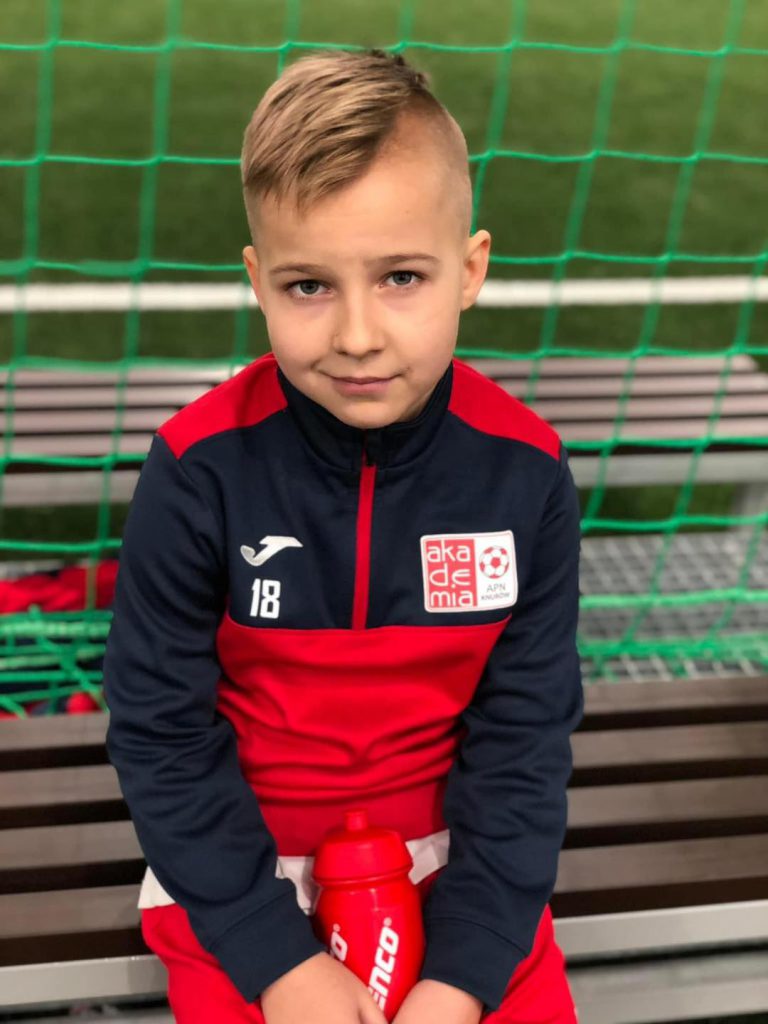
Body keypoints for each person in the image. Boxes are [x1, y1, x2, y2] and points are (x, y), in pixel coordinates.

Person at [103, 48, 583, 1024]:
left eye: (401, 276)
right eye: (308, 286)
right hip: (244, 875)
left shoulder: (525, 472)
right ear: (257, 280)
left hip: (456, 867)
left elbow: (524, 740)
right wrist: (275, 957)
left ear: (471, 270)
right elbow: (160, 731)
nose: (357, 335)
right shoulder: (197, 469)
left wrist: (467, 971)